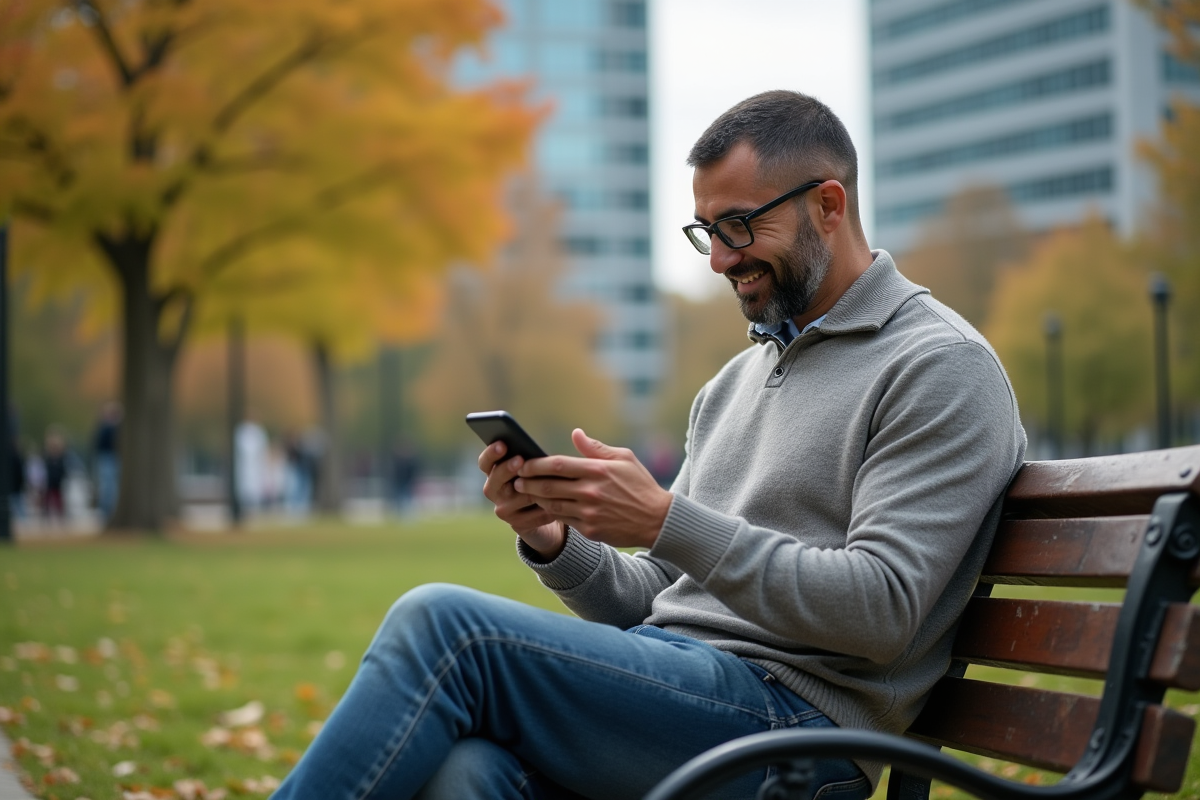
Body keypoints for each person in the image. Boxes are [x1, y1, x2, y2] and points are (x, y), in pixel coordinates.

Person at [273, 91, 1026, 800]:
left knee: (445, 627)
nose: (720, 260)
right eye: (707, 232)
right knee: (473, 774)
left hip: (797, 731)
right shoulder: (734, 383)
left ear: (828, 205)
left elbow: (883, 609)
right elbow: (659, 597)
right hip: (688, 693)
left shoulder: (938, 366)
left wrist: (668, 520)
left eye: (739, 226)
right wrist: (555, 539)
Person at [92, 401, 122, 521]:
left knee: (111, 487)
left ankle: (109, 510)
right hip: (106, 458)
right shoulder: (105, 427)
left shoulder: (111, 427)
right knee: (107, 486)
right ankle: (106, 511)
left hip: (112, 458)